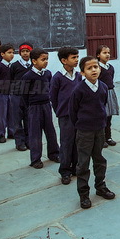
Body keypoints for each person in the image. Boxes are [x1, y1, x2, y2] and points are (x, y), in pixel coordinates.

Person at [70, 56, 116, 209]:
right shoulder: (78, 90)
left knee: (99, 159)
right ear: (82, 73)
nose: (94, 70)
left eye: (96, 67)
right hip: (84, 131)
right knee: (83, 163)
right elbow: (73, 112)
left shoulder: (102, 87)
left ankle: (100, 186)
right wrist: (81, 125)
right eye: (89, 68)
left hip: (99, 129)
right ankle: (83, 194)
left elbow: (102, 104)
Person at [21, 47, 59, 168]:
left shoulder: (48, 74)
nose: (46, 61)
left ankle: (54, 153)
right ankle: (35, 159)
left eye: (47, 59)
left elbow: (50, 89)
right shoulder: (27, 76)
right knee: (35, 134)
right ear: (34, 61)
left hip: (46, 105)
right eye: (43, 59)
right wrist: (30, 107)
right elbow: (23, 94)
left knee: (50, 130)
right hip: (34, 107)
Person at [50, 47, 81, 185]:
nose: (76, 60)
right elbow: (53, 98)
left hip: (78, 116)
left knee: (77, 142)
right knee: (66, 143)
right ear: (64, 60)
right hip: (65, 116)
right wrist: (60, 111)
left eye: (77, 57)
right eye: (73, 57)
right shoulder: (57, 77)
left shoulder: (79, 75)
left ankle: (75, 168)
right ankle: (65, 171)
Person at [9, 43, 33, 151]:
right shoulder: (14, 65)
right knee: (17, 121)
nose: (25, 53)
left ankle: (29, 141)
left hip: (29, 97)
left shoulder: (34, 65)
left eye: (27, 51)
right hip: (17, 96)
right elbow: (10, 80)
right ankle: (19, 142)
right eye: (23, 51)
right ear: (20, 53)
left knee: (29, 120)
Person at [95, 45, 119, 147]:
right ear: (98, 55)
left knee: (109, 117)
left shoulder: (110, 67)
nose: (107, 55)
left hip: (110, 92)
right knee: (101, 117)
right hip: (101, 94)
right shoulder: (98, 68)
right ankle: (101, 138)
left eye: (108, 53)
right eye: (104, 53)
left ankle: (108, 137)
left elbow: (111, 79)